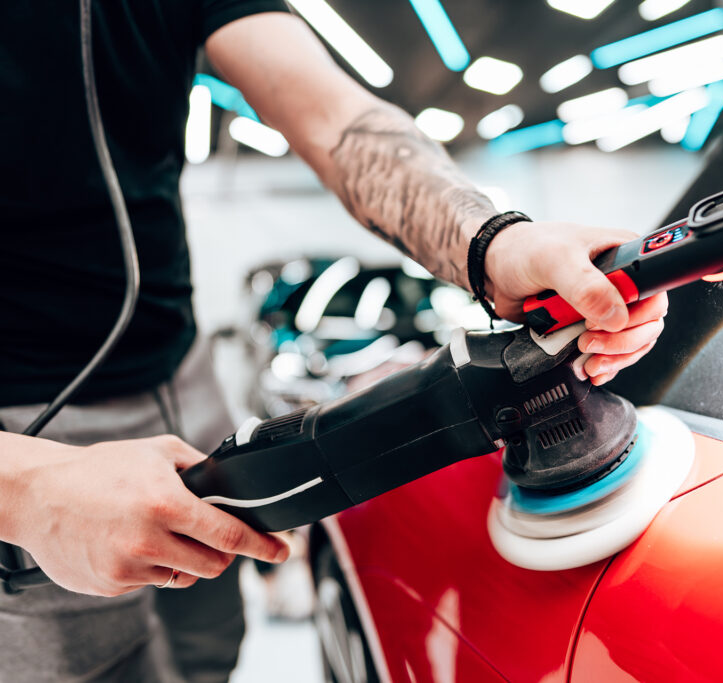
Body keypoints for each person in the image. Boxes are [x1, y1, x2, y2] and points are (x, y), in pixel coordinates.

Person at [0, 3, 669, 681]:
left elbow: (338, 122)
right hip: (26, 436)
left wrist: (496, 241)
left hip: (183, 380)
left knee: (208, 648)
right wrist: (25, 490)